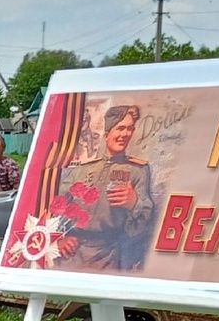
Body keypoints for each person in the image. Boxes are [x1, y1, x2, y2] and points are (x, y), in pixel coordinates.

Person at [59, 102, 158, 270]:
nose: (125, 134)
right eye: (120, 128)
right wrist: (59, 238)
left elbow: (144, 225)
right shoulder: (83, 167)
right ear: (107, 133)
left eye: (130, 128)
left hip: (107, 256)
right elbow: (56, 205)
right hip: (71, 253)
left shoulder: (137, 170)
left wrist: (135, 203)